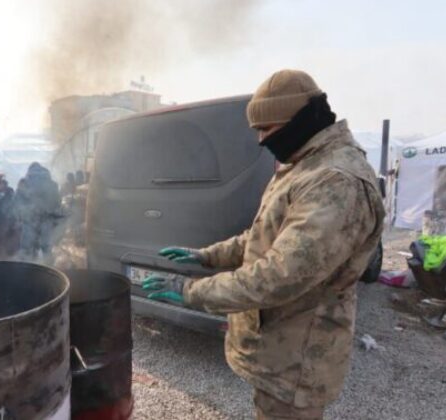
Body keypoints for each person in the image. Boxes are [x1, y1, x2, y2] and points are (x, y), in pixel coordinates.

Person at [142, 70, 385, 419]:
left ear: (301, 121)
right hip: (275, 351)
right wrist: (208, 256)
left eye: (267, 129)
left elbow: (281, 274)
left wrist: (191, 291)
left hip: (296, 361)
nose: (260, 140)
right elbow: (263, 237)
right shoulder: (304, 163)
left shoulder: (335, 182)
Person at [15, 163, 61, 260]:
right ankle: (49, 272)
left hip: (29, 221)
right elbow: (57, 203)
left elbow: (17, 203)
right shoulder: (52, 184)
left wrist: (21, 217)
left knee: (27, 250)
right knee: (47, 249)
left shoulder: (24, 183)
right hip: (47, 221)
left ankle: (27, 271)